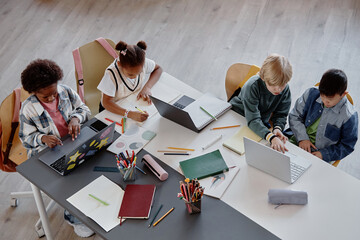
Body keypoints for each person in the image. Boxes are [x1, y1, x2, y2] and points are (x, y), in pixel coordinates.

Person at [19, 59, 94, 238]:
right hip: (45, 153)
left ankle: (90, 204)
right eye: (46, 97)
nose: (52, 98)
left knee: (90, 167)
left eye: (54, 93)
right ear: (34, 92)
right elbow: (25, 139)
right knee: (69, 181)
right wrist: (43, 138)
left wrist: (76, 118)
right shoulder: (28, 109)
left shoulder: (66, 91)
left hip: (72, 141)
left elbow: (84, 109)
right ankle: (72, 218)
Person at [288, 69, 358, 162]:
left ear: (343, 94)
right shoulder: (310, 94)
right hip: (298, 140)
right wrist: (302, 139)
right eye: (322, 95)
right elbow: (294, 116)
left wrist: (323, 154)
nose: (325, 101)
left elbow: (347, 145)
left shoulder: (349, 116)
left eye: (329, 99)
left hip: (321, 156)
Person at [230, 54, 292, 153]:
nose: (278, 89)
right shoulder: (252, 86)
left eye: (282, 84)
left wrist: (278, 128)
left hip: (257, 124)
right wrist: (271, 137)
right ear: (263, 77)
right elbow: (253, 120)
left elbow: (281, 114)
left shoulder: (285, 90)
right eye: (273, 85)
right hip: (236, 117)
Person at [97, 40, 162, 122]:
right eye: (130, 74)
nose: (135, 77)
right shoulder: (111, 75)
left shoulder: (142, 63)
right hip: (112, 110)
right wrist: (130, 114)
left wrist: (147, 87)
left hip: (131, 102)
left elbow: (158, 69)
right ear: (119, 64)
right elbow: (106, 103)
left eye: (139, 73)